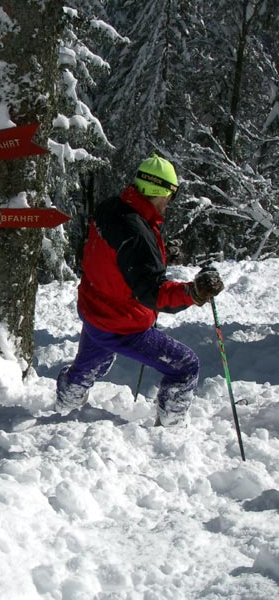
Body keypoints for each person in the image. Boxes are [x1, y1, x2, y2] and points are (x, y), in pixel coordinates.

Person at [56, 154, 224, 427]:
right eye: (172, 193)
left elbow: (116, 259)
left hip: (95, 310)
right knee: (185, 367)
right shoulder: (137, 234)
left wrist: (159, 253)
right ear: (164, 192)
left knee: (90, 367)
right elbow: (154, 294)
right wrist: (194, 292)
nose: (171, 201)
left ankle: (66, 405)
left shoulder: (111, 208)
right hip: (122, 323)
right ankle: (170, 430)